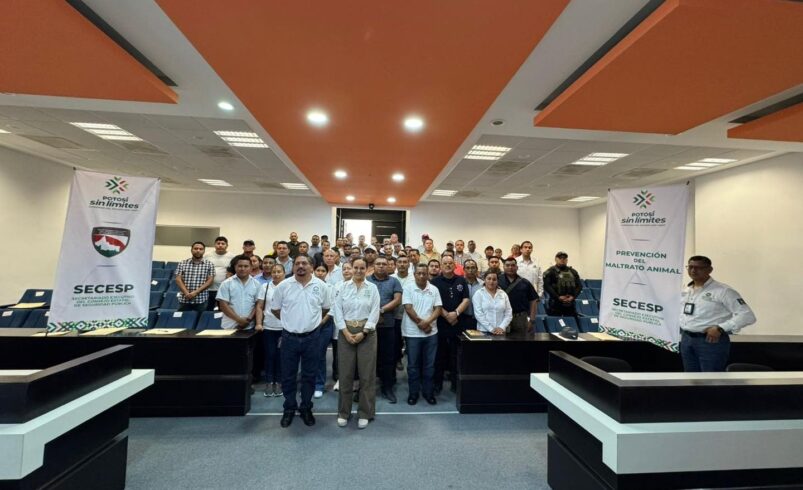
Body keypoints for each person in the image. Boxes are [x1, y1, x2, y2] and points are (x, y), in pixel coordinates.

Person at [270, 255, 331, 428]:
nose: (300, 266)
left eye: (304, 263)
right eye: (297, 263)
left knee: (309, 375)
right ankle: (289, 408)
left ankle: (306, 407)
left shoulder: (321, 286)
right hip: (289, 337)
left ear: (312, 267)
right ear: (293, 267)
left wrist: (311, 322)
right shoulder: (283, 286)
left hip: (312, 337)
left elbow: (325, 308)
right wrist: (290, 321)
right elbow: (275, 310)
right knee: (288, 376)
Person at [679, 256, 756, 372]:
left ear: (709, 270)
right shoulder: (686, 290)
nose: (693, 270)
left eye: (699, 267)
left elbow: (747, 316)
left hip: (710, 341)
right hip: (686, 339)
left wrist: (721, 328)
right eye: (690, 267)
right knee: (690, 378)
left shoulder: (723, 291)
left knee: (710, 379)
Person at [333, 259, 380, 429]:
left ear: (367, 269)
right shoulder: (342, 287)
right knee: (345, 374)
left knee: (366, 375)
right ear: (351, 269)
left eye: (362, 268)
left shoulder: (372, 288)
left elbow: (375, 311)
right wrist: (345, 332)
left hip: (367, 332)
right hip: (346, 331)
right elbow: (337, 310)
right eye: (356, 267)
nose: (359, 270)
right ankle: (343, 412)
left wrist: (364, 332)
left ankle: (365, 413)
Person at [402, 264, 442, 405]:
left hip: (431, 333)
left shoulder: (434, 289)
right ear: (414, 275)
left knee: (430, 365)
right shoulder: (408, 288)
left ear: (427, 274)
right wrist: (422, 324)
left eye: (424, 273)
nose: (421, 276)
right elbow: (408, 308)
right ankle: (413, 393)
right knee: (413, 366)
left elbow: (438, 309)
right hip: (412, 333)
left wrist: (427, 323)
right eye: (418, 273)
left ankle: (428, 392)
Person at [431, 255, 470, 394]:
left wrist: (456, 313)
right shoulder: (434, 282)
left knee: (456, 355)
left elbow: (466, 300)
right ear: (441, 266)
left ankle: (455, 384)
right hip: (441, 322)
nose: (448, 265)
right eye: (445, 263)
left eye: (450, 263)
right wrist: (447, 315)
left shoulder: (461, 280)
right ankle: (437, 384)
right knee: (439, 355)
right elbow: (433, 302)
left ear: (455, 265)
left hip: (458, 322)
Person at [367, 256, 403, 403]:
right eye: (378, 264)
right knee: (368, 359)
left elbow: (397, 300)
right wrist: (375, 314)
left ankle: (387, 387)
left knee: (388, 358)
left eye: (384, 264)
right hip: (369, 326)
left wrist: (381, 311)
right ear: (373, 266)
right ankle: (366, 389)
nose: (381, 266)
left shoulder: (394, 281)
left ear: (388, 266)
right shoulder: (367, 280)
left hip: (388, 325)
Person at [255, 264, 286, 397]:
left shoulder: (288, 286)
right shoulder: (265, 287)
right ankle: (269, 382)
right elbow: (259, 307)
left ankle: (279, 382)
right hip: (268, 327)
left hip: (284, 328)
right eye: (274, 272)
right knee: (269, 355)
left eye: (279, 272)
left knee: (280, 356)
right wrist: (258, 323)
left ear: (284, 273)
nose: (276, 274)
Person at [217, 254, 260, 330]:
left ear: (251, 268)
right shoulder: (226, 283)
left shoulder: (256, 284)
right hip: (229, 326)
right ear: (235, 267)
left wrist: (248, 320)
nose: (242, 269)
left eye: (246, 266)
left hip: (249, 326)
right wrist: (239, 320)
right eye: (240, 266)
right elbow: (223, 306)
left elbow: (258, 304)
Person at [498, 258, 538, 335]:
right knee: (501, 340)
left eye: (513, 265)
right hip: (502, 317)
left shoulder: (525, 282)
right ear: (503, 267)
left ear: (517, 267)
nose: (510, 267)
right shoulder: (497, 281)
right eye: (507, 265)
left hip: (520, 318)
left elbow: (533, 300)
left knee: (521, 341)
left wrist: (532, 320)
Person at [313, 264, 335, 398]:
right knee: (307, 355)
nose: (320, 273)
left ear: (327, 273)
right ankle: (307, 382)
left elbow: (332, 307)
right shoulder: (308, 286)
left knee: (320, 354)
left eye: (323, 271)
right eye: (318, 270)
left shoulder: (330, 287)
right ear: (313, 271)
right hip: (308, 325)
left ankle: (319, 385)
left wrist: (321, 321)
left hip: (325, 324)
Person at [175, 241, 215, 313]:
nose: (198, 250)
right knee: (182, 319)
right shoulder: (182, 263)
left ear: (204, 251)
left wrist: (196, 292)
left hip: (201, 299)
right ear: (191, 250)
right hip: (184, 299)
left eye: (201, 249)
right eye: (195, 248)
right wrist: (186, 293)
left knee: (200, 319)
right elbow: (178, 279)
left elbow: (210, 281)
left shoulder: (210, 265)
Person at [543, 251, 583, 317]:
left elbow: (579, 286)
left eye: (564, 258)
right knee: (555, 321)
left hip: (570, 303)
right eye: (560, 258)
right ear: (556, 259)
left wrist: (573, 297)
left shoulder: (573, 272)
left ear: (567, 260)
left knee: (570, 321)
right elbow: (547, 286)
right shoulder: (550, 271)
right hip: (555, 303)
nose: (562, 259)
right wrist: (558, 297)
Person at [473, 271, 513, 335]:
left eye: (494, 279)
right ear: (484, 280)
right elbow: (478, 314)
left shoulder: (503, 294)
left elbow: (508, 313)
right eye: (489, 279)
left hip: (501, 331)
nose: (491, 282)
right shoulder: (478, 294)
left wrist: (501, 327)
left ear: (497, 281)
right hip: (484, 331)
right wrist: (491, 329)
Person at [392, 254, 413, 370]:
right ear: (396, 264)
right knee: (396, 340)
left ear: (409, 264)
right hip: (395, 314)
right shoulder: (391, 278)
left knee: (410, 340)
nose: (402, 264)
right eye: (400, 262)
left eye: (405, 262)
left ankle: (412, 362)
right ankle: (398, 359)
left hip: (411, 314)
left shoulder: (414, 278)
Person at [204, 236, 235, 310]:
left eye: (223, 244)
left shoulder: (232, 256)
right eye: (218, 243)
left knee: (223, 310)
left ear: (227, 245)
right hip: (209, 289)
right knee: (208, 310)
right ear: (214, 245)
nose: (220, 245)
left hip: (224, 289)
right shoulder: (207, 255)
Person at [462, 259, 482, 329]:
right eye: (467, 268)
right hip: (462, 318)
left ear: (476, 269)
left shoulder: (483, 284)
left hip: (479, 319)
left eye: (473, 268)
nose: (470, 270)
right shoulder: (459, 283)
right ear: (464, 269)